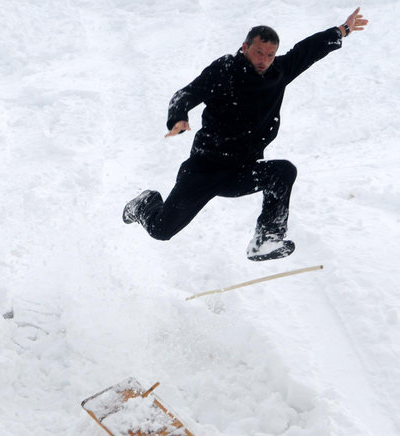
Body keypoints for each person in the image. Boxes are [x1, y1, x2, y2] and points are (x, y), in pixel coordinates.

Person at [123, 8, 368, 261]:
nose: (264, 60)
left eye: (270, 55)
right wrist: (179, 118)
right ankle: (144, 204)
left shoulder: (278, 73)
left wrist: (343, 30)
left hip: (240, 171)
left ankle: (267, 239)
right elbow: (184, 95)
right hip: (203, 170)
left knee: (283, 171)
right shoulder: (225, 70)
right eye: (258, 52)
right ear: (245, 47)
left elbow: (308, 50)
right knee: (161, 231)